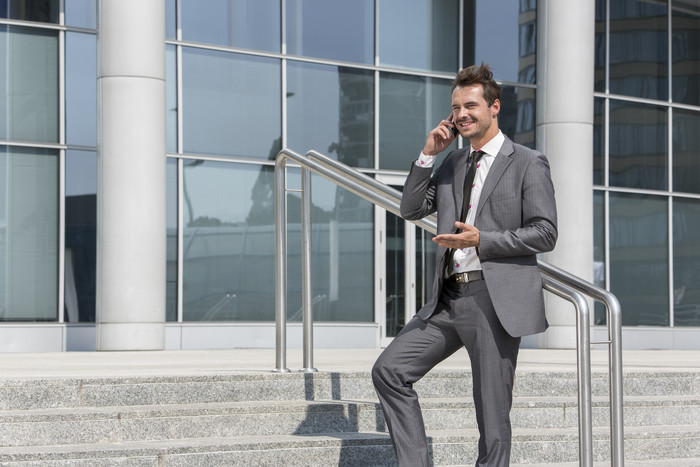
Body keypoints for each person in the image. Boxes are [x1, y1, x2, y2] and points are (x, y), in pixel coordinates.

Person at [371, 63, 558, 467]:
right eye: (455, 107)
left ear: (494, 107)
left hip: (494, 301)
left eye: (470, 105)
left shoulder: (527, 162)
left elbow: (545, 233)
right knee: (389, 370)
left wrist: (483, 240)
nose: (461, 114)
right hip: (447, 300)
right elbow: (411, 208)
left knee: (492, 418)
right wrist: (427, 155)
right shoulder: (453, 164)